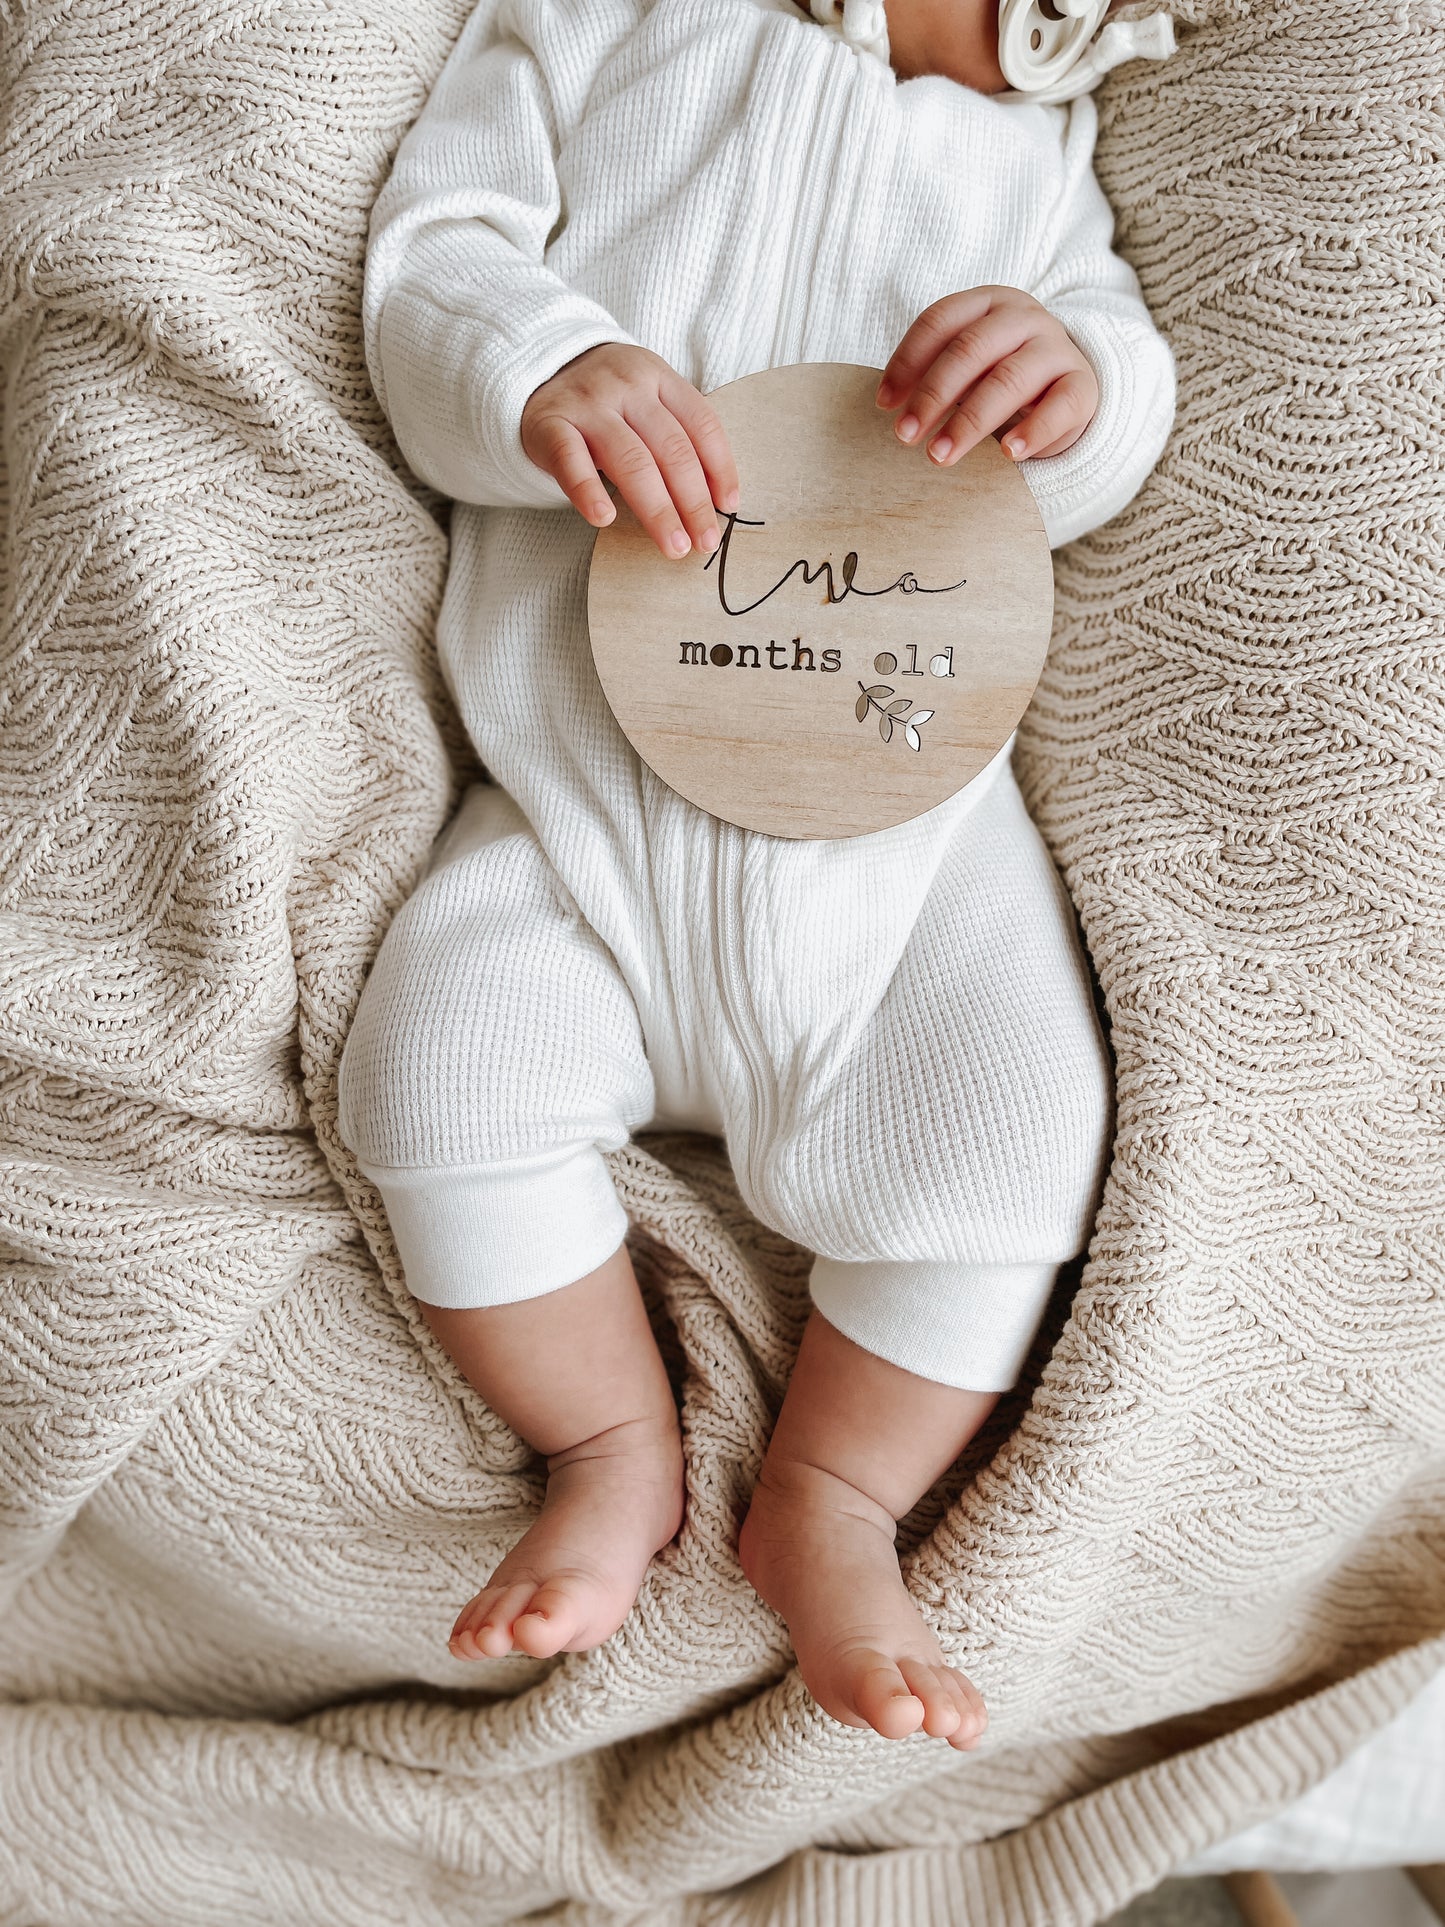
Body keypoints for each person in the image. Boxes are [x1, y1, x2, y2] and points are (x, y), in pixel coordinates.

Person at [338, 0, 1177, 1748]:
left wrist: (1072, 392)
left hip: (907, 862)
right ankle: (610, 1444)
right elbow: (433, 261)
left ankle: (837, 1504)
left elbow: (1104, 423)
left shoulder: (1045, 147)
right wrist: (539, 363)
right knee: (434, 1079)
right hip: (574, 822)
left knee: (1022, 1138)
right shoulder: (605, 28)